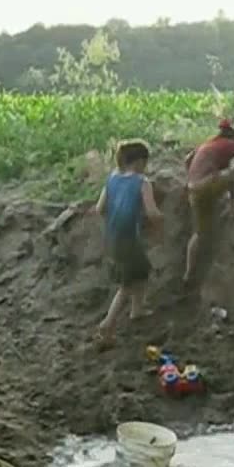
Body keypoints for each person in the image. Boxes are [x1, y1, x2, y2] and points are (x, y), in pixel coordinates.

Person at [90, 138, 163, 349]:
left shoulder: (112, 178)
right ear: (140, 161)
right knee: (127, 285)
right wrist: (161, 223)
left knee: (141, 272)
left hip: (113, 236)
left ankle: (137, 310)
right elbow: (152, 213)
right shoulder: (142, 182)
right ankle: (107, 324)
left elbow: (99, 209)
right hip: (130, 237)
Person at [182, 119, 234, 287]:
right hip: (206, 184)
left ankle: (188, 274)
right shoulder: (229, 144)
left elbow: (186, 160)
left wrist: (193, 177)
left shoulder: (205, 145)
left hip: (193, 190)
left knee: (199, 234)